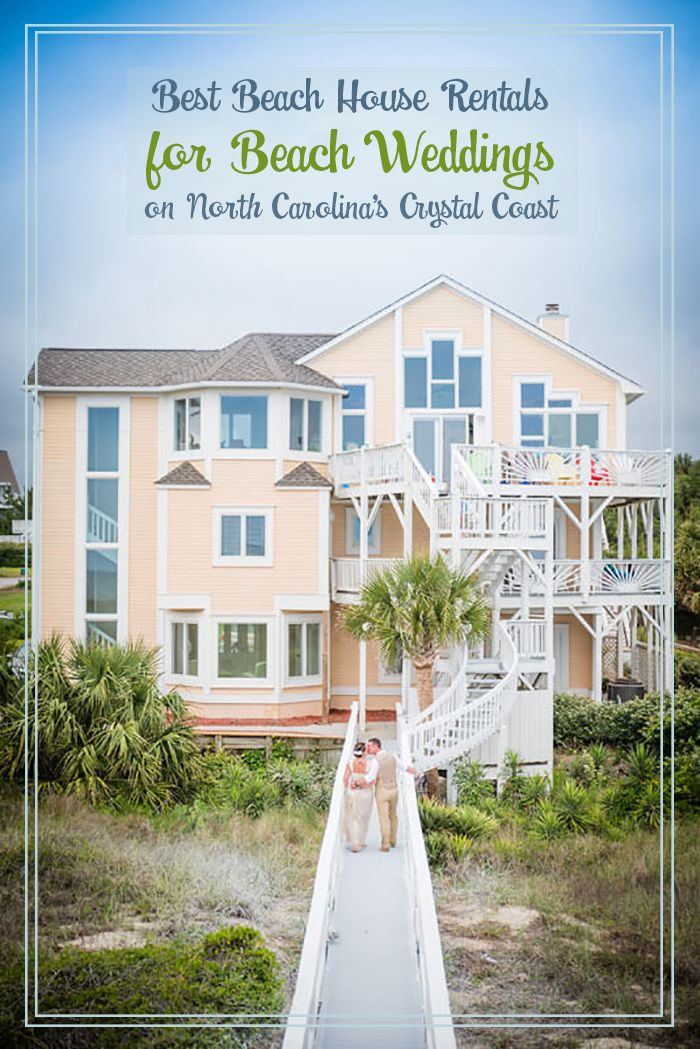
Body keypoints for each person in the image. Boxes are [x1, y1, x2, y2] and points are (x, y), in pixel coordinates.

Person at [358, 737, 415, 853]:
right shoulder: (392, 756)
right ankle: (393, 841)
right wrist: (416, 773)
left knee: (384, 819)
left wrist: (357, 782)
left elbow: (370, 778)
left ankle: (385, 845)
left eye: (369, 746)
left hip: (382, 792)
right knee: (393, 816)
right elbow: (405, 767)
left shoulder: (376, 761)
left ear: (376, 746)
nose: (367, 749)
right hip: (394, 790)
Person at [341, 741, 373, 853]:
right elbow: (372, 781)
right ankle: (360, 841)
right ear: (364, 752)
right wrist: (361, 785)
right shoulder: (369, 765)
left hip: (352, 793)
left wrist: (351, 786)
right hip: (365, 793)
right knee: (364, 817)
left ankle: (354, 842)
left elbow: (345, 779)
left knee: (354, 818)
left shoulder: (350, 763)